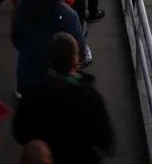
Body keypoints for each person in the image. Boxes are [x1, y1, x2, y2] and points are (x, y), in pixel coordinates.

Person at [13, 32, 116, 164]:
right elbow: (106, 142)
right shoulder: (90, 98)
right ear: (75, 61)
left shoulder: (32, 90)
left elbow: (20, 133)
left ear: (50, 59)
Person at [11, 0, 88, 95]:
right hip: (55, 85)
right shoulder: (69, 16)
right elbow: (80, 49)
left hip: (26, 76)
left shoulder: (22, 3)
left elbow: (15, 36)